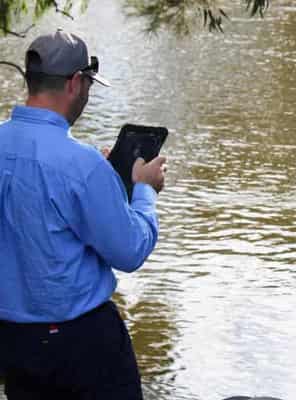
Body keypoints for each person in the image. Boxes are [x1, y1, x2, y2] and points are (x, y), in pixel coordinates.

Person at [0, 29, 166, 400]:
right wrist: (142, 189)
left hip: (12, 341)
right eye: (89, 84)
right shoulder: (81, 165)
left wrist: (104, 182)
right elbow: (129, 251)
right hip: (82, 344)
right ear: (76, 82)